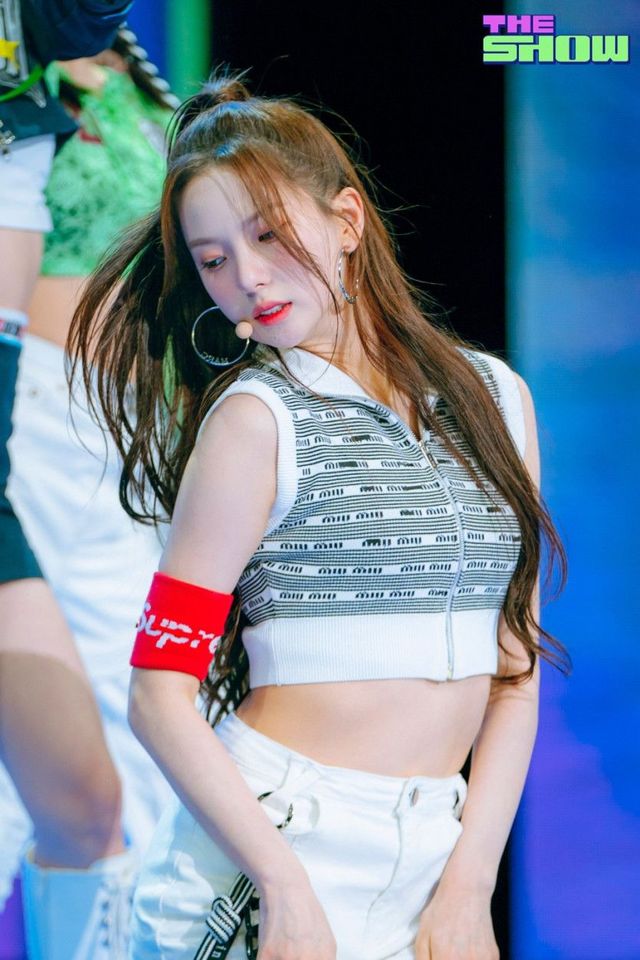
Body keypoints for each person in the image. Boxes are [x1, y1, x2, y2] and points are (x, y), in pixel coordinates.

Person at [69, 67, 571, 960]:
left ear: (347, 221)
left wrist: (470, 886)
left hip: (436, 865)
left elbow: (515, 674)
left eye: (267, 234)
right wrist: (282, 884)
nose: (246, 277)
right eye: (214, 260)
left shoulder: (498, 398)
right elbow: (158, 691)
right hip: (270, 856)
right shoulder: (254, 420)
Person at [0, 26, 179, 960]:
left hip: (132, 435)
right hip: (27, 411)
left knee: (139, 754)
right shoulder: (20, 42)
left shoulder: (129, 63)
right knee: (20, 766)